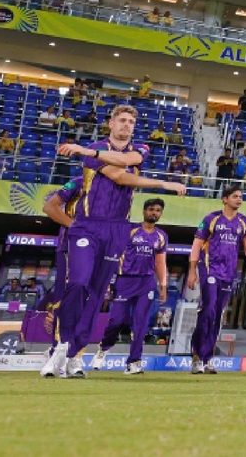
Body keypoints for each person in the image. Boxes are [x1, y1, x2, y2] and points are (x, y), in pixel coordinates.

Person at [43, 105, 185, 379]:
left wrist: (86, 152)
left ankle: (75, 355)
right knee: (77, 284)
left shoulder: (138, 149)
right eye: (122, 120)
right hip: (88, 226)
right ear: (111, 123)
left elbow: (128, 161)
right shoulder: (96, 148)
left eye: (131, 121)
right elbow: (119, 174)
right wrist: (164, 184)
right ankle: (60, 347)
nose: (126, 125)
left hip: (117, 229)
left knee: (96, 295)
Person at [92, 199, 169, 375]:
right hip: (124, 280)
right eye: (151, 209)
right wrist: (108, 281)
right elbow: (114, 254)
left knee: (140, 325)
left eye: (158, 210)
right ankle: (104, 347)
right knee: (117, 320)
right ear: (144, 211)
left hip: (146, 283)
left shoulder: (161, 236)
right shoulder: (130, 230)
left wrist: (163, 284)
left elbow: (160, 262)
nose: (154, 213)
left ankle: (134, 362)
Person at [188, 184, 246, 374]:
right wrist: (192, 271)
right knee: (208, 310)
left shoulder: (244, 222)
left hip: (228, 273)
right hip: (210, 269)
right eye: (235, 196)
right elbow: (196, 245)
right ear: (225, 199)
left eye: (241, 196)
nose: (239, 199)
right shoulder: (211, 218)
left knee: (217, 315)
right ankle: (197, 355)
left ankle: (207, 358)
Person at [38, 176, 84, 376]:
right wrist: (76, 227)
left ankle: (74, 355)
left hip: (98, 252)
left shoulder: (114, 186)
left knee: (85, 305)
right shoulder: (78, 182)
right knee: (64, 301)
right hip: (70, 248)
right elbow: (50, 205)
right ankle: (57, 350)